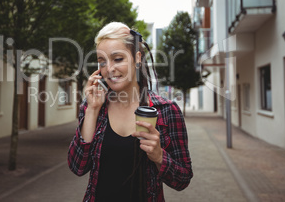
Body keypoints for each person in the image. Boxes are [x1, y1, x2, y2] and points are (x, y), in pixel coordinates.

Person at [68, 22, 193, 202]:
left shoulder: (166, 111)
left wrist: (159, 156)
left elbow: (182, 179)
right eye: (102, 62)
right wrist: (92, 110)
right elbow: (77, 166)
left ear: (137, 58)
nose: (109, 69)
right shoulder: (94, 107)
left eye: (118, 59)